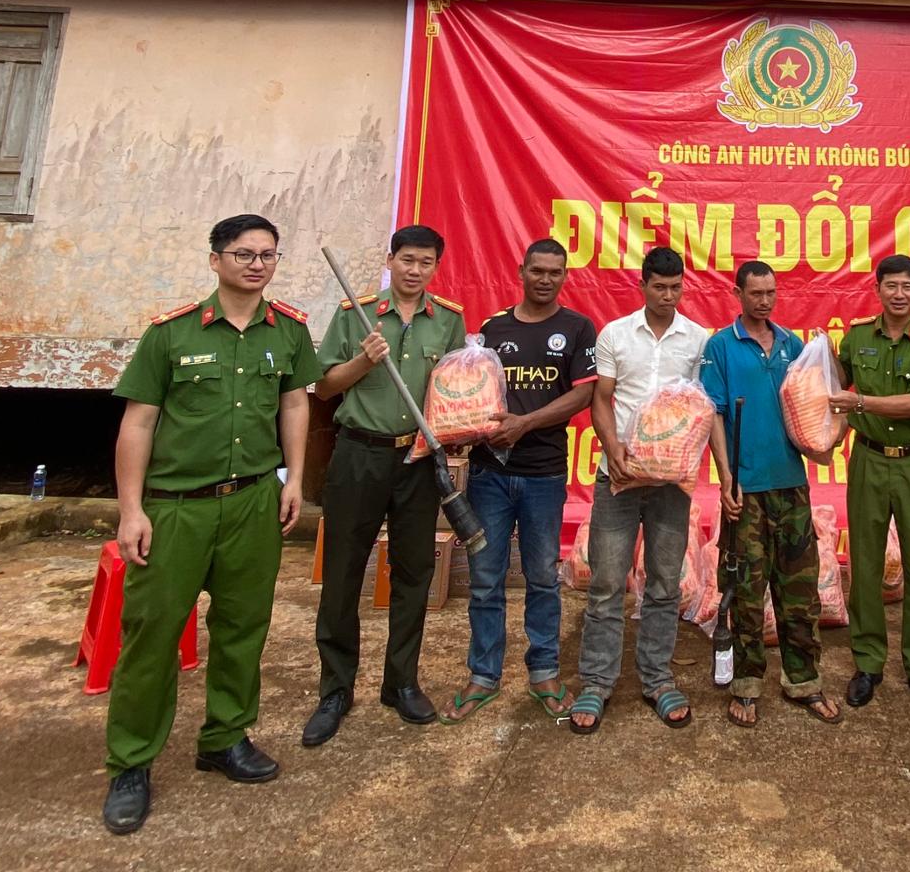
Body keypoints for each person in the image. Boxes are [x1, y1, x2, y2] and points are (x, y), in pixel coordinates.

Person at [101, 214, 320, 836]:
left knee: (243, 628)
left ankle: (224, 737)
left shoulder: (289, 331)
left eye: (268, 255)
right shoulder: (169, 334)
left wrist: (295, 479)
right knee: (152, 635)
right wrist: (132, 509)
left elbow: (294, 402)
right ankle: (131, 763)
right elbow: (137, 424)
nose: (257, 264)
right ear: (216, 259)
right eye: (244, 254)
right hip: (175, 507)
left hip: (253, 500)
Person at [302, 224, 465, 746]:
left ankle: (402, 683)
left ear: (436, 267)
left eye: (425, 263)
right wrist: (362, 360)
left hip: (415, 459)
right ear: (390, 260)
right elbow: (324, 386)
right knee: (344, 569)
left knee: (413, 570)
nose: (415, 271)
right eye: (407, 260)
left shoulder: (449, 322)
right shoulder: (356, 317)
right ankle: (336, 689)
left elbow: (459, 390)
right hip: (359, 455)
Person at [444, 238, 597, 723]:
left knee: (542, 579)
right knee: (485, 580)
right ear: (521, 271)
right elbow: (472, 390)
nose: (546, 278)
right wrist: (458, 428)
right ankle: (483, 674)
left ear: (564, 275)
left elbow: (583, 397)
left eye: (556, 271)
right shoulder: (493, 329)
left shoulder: (576, 329)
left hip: (544, 475)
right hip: (490, 474)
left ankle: (545, 671)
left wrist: (525, 424)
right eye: (538, 270)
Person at [569, 247, 708, 734]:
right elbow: (600, 400)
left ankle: (657, 677)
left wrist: (684, 460)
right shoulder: (615, 335)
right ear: (643, 286)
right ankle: (597, 682)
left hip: (671, 483)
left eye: (676, 288)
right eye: (660, 287)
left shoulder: (697, 340)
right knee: (608, 583)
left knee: (665, 583)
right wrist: (614, 453)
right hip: (619, 480)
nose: (668, 296)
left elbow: (699, 410)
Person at [700, 261, 842, 728]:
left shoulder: (792, 345)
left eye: (771, 293)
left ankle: (804, 680)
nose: (764, 300)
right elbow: (715, 415)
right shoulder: (720, 346)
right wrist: (726, 478)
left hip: (791, 486)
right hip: (746, 490)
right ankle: (746, 684)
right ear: (737, 293)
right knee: (744, 590)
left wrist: (829, 355)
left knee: (799, 589)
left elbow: (816, 406)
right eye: (755, 293)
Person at [829, 254, 910, 720]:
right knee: (864, 564)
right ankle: (867, 663)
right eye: (891, 286)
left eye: (908, 287)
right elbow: (834, 386)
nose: (899, 294)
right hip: (868, 459)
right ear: (877, 289)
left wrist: (857, 401)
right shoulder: (857, 337)